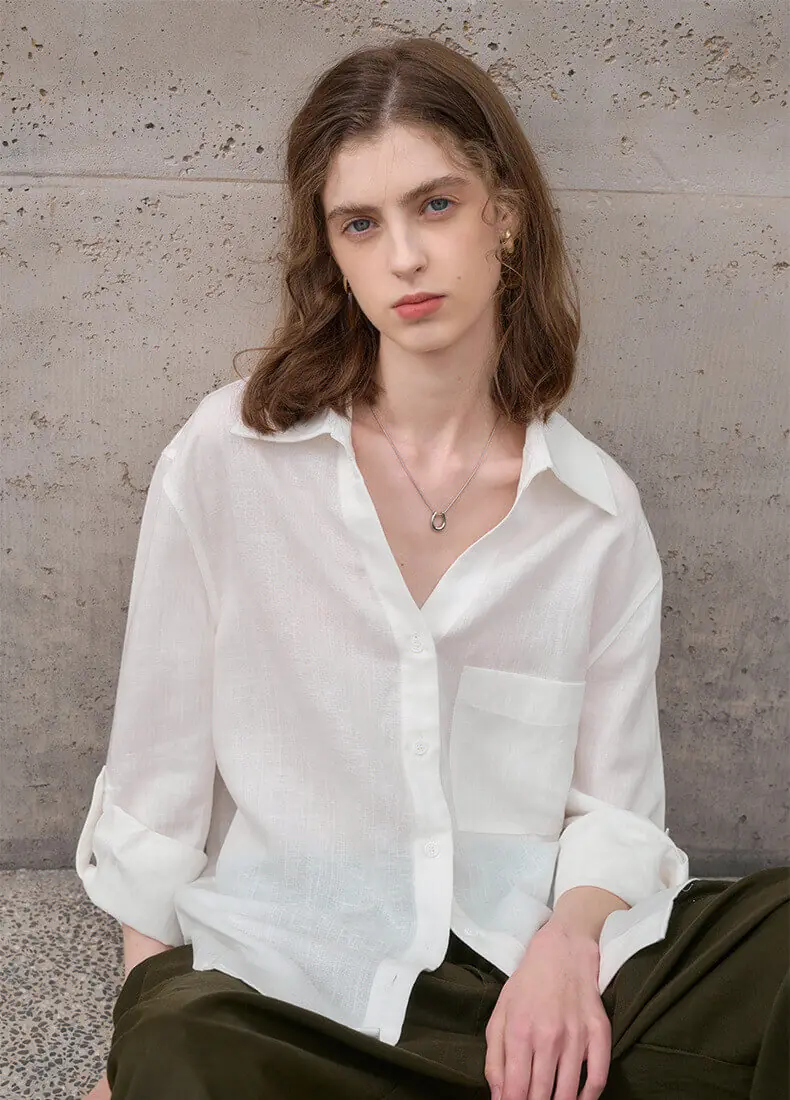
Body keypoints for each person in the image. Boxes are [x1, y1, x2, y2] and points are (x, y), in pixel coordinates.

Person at [76, 37, 788, 1100]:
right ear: (332, 252)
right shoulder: (228, 459)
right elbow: (157, 780)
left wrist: (568, 946)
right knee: (188, 1042)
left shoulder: (593, 514)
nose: (404, 256)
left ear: (505, 214)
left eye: (436, 205)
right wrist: (139, 1039)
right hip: (295, 989)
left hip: (525, 978)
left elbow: (617, 811)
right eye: (361, 224)